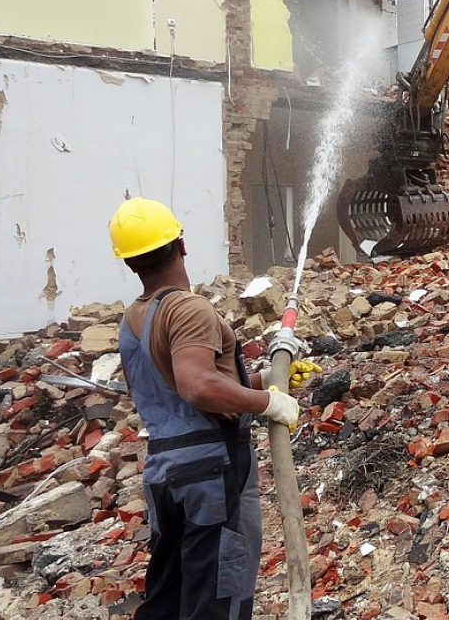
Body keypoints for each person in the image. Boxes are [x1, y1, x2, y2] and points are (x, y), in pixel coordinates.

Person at [108, 197, 320, 620]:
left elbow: (173, 390)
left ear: (130, 263)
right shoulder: (188, 308)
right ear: (181, 244)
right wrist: (266, 403)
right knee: (218, 597)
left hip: (165, 475)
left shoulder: (133, 320)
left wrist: (265, 381)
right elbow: (197, 386)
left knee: (170, 595)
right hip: (211, 471)